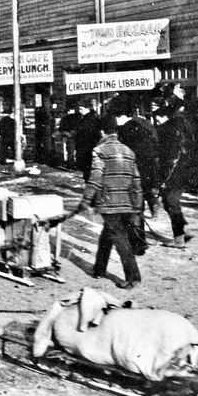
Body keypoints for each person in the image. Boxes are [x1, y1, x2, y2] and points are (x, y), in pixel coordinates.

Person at [77, 114, 143, 290]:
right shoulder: (129, 152)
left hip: (108, 203)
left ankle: (133, 277)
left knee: (120, 239)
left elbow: (96, 178)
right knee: (108, 234)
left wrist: (86, 199)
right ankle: (99, 269)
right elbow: (136, 183)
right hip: (126, 202)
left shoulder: (99, 151)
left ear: (101, 131)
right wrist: (137, 207)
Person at [111, 97, 158, 255]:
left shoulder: (124, 131)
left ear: (121, 115)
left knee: (130, 211)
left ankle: (135, 244)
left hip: (130, 175)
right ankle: (139, 244)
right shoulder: (144, 127)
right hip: (145, 175)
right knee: (138, 209)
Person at [155, 98, 194, 248]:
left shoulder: (168, 129)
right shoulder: (184, 125)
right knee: (170, 202)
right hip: (183, 170)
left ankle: (179, 239)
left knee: (171, 202)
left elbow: (171, 158)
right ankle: (180, 233)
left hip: (173, 172)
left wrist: (164, 178)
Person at [75, 98, 102, 182]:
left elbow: (85, 135)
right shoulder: (92, 118)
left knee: (88, 172)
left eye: (81, 109)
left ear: (87, 108)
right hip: (90, 148)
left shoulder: (88, 120)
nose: (79, 111)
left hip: (87, 149)